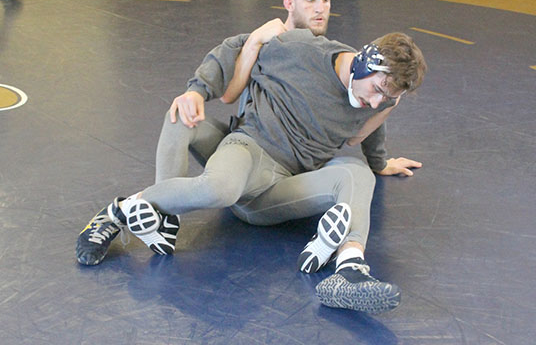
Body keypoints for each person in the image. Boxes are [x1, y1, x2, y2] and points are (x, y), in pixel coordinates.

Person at [76, 17, 427, 314]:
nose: (377, 102)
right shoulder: (302, 49)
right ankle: (120, 212)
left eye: (389, 98)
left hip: (282, 189)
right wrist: (198, 89)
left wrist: (380, 162)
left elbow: (372, 132)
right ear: (365, 63)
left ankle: (348, 271)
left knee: (356, 172)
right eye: (379, 89)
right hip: (248, 148)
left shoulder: (378, 103)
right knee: (212, 171)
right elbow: (236, 48)